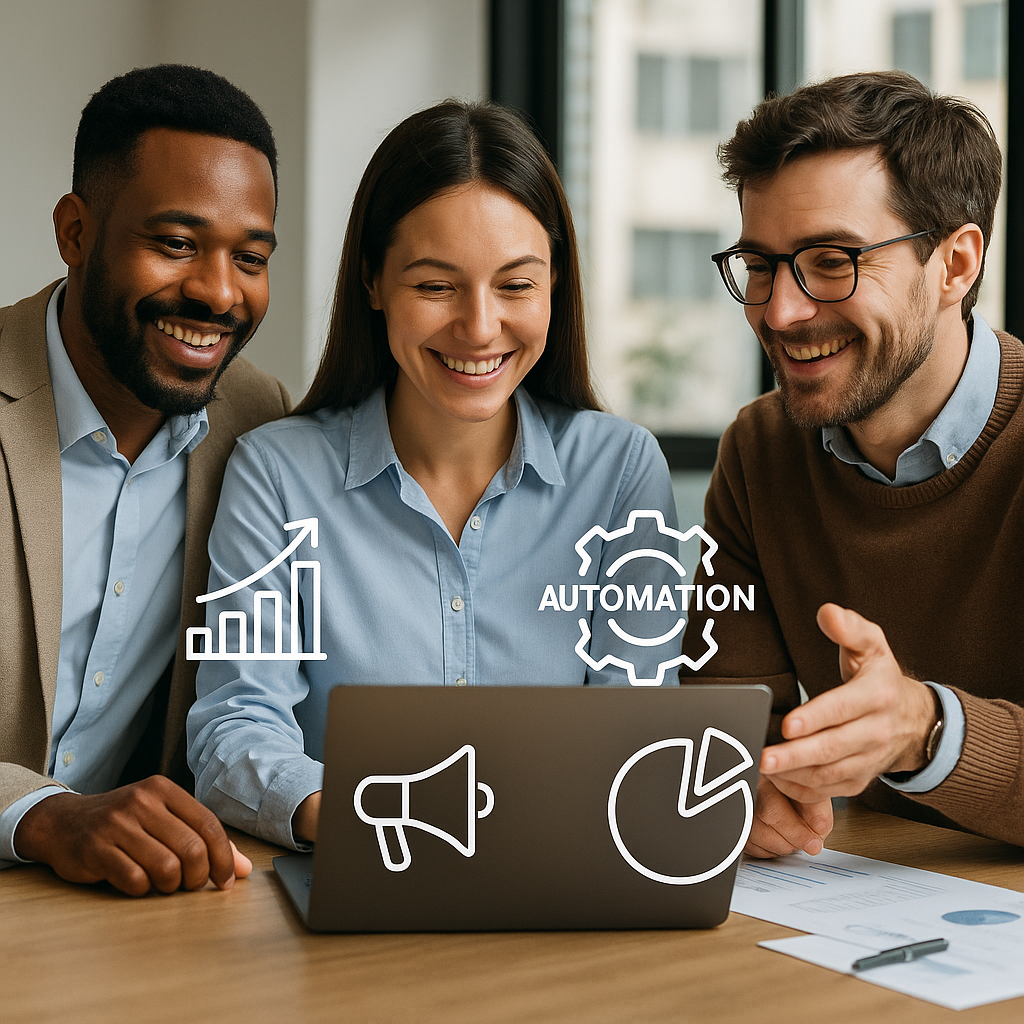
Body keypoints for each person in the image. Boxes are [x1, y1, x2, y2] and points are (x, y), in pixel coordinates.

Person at [187, 100, 680, 850]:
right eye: (435, 286)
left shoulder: (621, 473)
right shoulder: (276, 473)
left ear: (555, 285)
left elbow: (640, 731)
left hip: (561, 875)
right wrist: (373, 816)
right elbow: (234, 725)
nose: (479, 328)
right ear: (373, 282)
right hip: (357, 864)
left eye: (516, 286)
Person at [679, 70, 1024, 854]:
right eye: (760, 265)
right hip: (865, 891)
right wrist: (746, 784)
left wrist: (925, 731)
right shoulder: (761, 451)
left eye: (832, 260)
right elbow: (727, 722)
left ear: (956, 264)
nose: (780, 310)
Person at [0, 65, 291, 894]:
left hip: (130, 913)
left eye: (250, 257)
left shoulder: (259, 423)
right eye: (175, 244)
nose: (218, 293)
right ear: (75, 232)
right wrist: (42, 816)